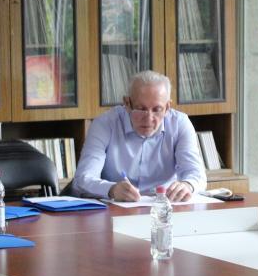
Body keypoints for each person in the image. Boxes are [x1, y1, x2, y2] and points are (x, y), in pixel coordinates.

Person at [73, 69, 206, 202]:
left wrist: (188, 185)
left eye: (157, 109)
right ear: (127, 103)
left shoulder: (180, 123)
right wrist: (111, 189)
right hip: (117, 206)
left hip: (164, 205)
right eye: (141, 109)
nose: (148, 118)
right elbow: (83, 179)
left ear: (167, 107)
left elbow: (196, 174)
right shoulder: (105, 124)